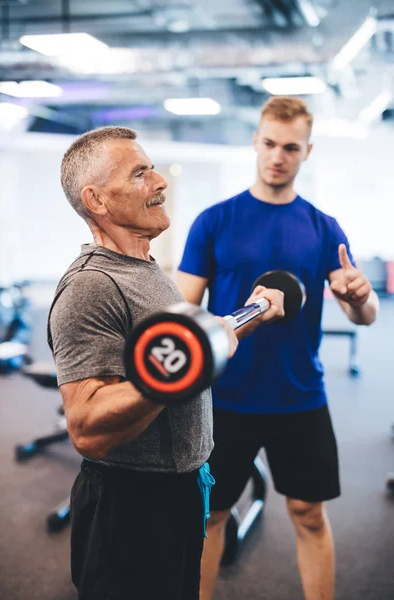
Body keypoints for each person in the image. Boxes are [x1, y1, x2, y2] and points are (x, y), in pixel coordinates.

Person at [47, 126, 285, 600]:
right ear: (96, 200)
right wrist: (189, 363)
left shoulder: (144, 267)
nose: (160, 181)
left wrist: (247, 317)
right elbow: (88, 426)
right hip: (131, 504)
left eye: (152, 167)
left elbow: (177, 350)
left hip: (180, 488)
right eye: (140, 173)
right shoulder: (91, 287)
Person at [177, 97, 379, 600]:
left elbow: (363, 314)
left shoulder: (322, 226)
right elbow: (183, 314)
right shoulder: (214, 221)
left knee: (309, 515)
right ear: (255, 142)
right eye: (269, 143)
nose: (277, 156)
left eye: (291, 147)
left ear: (306, 152)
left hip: (299, 397)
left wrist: (362, 297)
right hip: (224, 399)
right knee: (213, 515)